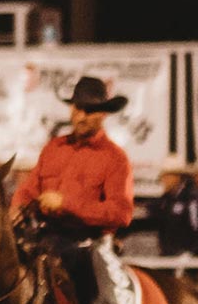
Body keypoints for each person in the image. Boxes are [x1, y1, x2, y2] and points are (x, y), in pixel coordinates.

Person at [11, 76, 135, 252]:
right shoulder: (53, 147)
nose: (82, 117)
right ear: (71, 107)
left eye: (90, 111)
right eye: (78, 108)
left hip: (89, 243)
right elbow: (28, 190)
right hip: (44, 236)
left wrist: (66, 204)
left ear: (103, 113)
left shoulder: (115, 158)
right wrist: (17, 208)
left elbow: (120, 213)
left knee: (105, 277)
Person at [149, 154, 198, 257]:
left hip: (188, 259)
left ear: (177, 177)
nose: (164, 180)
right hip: (168, 256)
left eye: (167, 176)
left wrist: (191, 252)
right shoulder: (164, 201)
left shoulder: (192, 199)